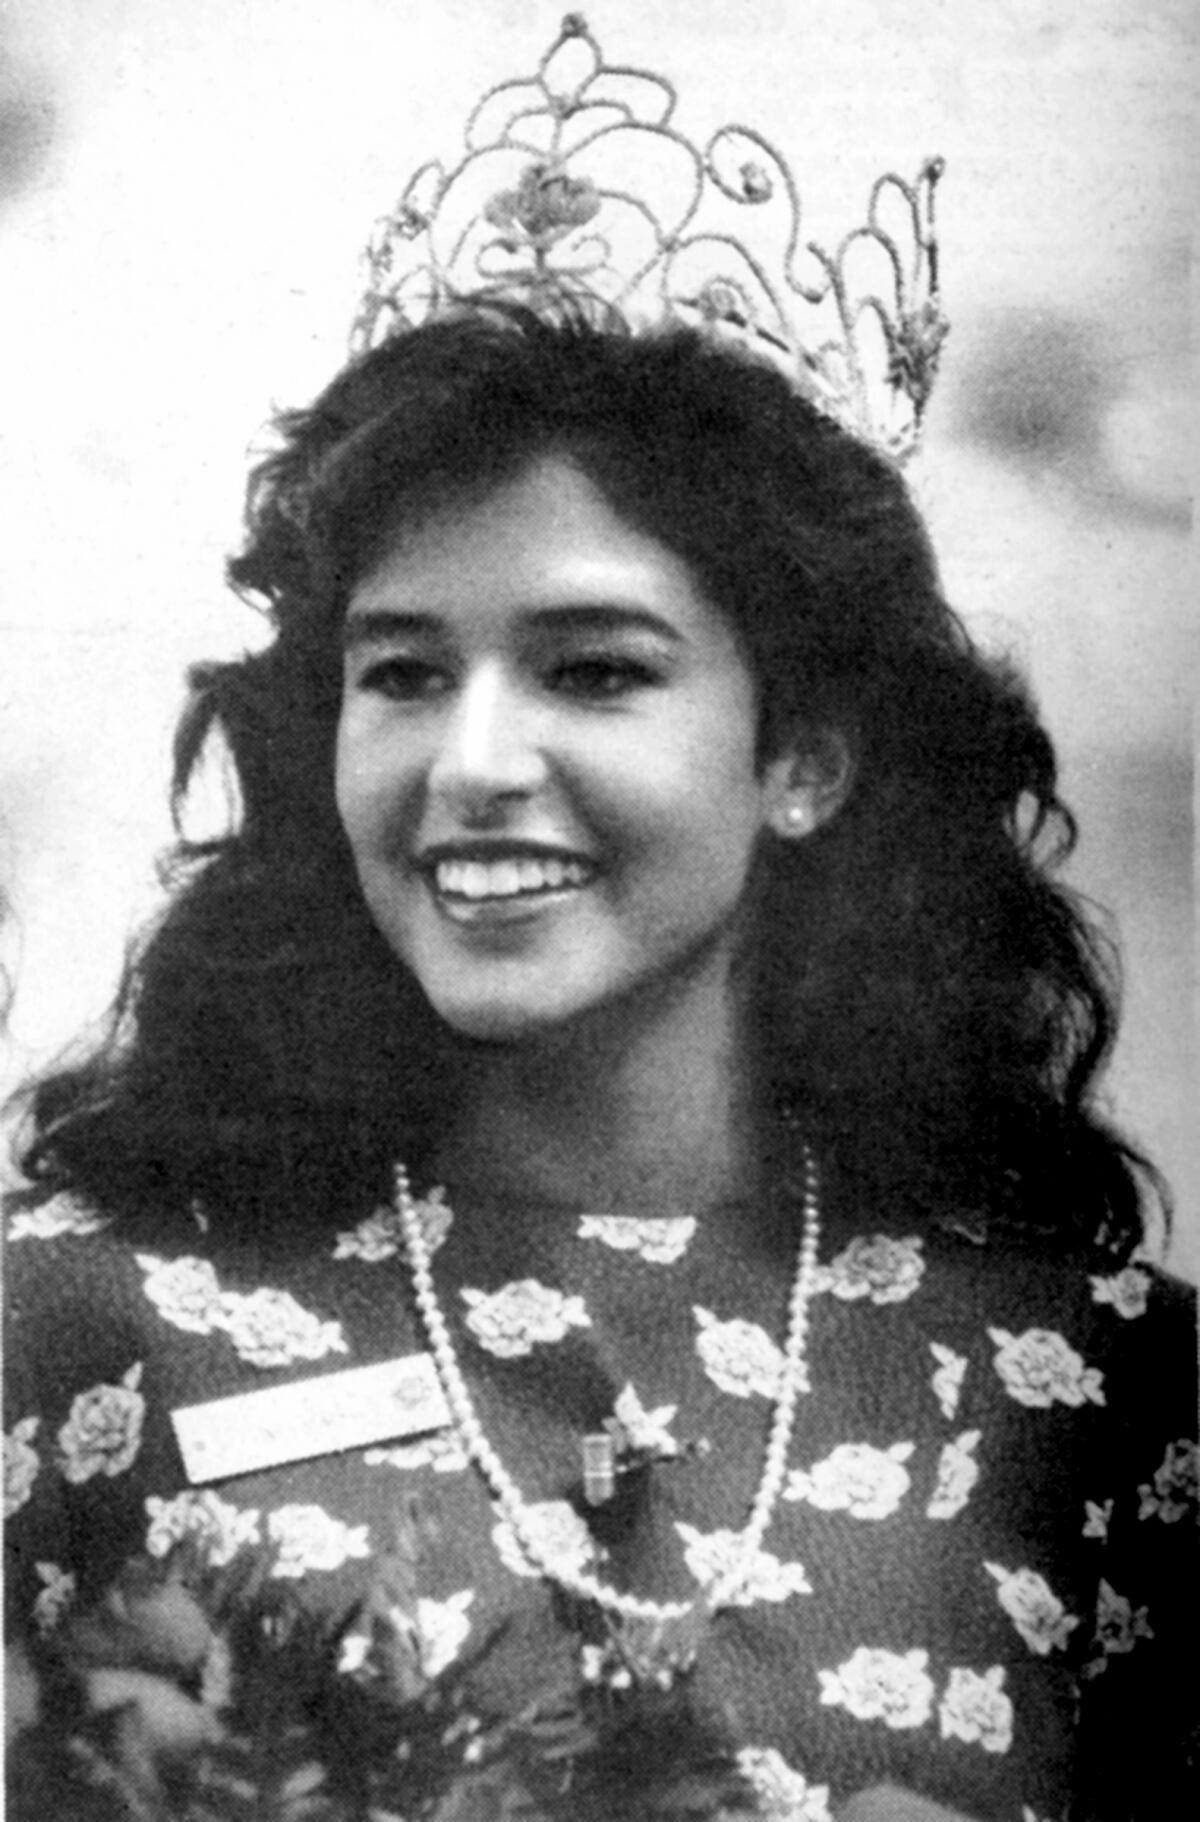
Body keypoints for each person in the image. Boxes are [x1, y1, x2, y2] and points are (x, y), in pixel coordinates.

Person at [4, 18, 1195, 1822]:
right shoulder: (76, 1319)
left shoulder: (1100, 1380)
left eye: (593, 669)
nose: (474, 761)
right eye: (400, 672)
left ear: (801, 753)